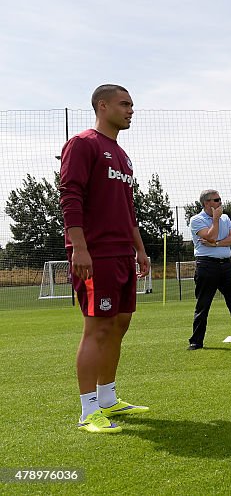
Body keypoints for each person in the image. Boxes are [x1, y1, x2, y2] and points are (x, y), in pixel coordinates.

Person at [59, 84, 151, 434]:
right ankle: (88, 411)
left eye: (132, 104)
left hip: (122, 253)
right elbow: (70, 195)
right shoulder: (83, 144)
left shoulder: (122, 156)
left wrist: (139, 249)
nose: (131, 109)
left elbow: (128, 210)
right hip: (94, 254)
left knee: (120, 323)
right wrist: (79, 247)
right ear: (102, 105)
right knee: (97, 328)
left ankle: (108, 397)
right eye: (124, 103)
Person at [187, 190, 231, 350]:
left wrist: (216, 243)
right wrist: (215, 220)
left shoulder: (225, 218)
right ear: (207, 203)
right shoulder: (196, 220)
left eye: (220, 199)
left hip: (227, 265)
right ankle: (196, 342)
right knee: (203, 305)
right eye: (217, 200)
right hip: (206, 266)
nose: (220, 203)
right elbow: (210, 236)